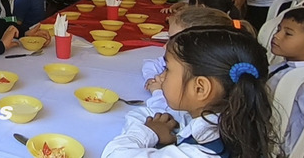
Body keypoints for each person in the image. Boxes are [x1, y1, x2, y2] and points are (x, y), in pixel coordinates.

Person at [103, 27, 282, 157]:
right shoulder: (230, 122)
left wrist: (150, 132)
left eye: (167, 69)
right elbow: (144, 113)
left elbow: (114, 154)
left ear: (200, 88)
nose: (161, 76)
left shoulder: (202, 152)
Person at [268, 7, 304, 155]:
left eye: (288, 34)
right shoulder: (285, 66)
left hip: (283, 148)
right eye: (278, 29)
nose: (277, 36)